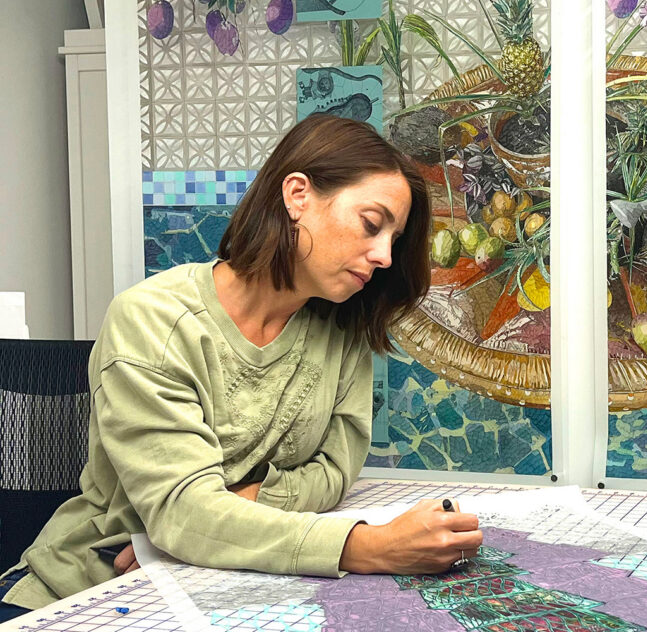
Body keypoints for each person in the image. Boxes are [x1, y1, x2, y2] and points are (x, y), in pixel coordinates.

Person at [0, 115, 483, 622]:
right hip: (89, 593)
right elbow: (183, 513)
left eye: (394, 238)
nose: (385, 255)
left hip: (209, 581)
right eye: (370, 223)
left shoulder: (341, 329)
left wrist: (242, 502)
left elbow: (336, 471)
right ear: (298, 195)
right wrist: (368, 546)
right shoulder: (154, 319)